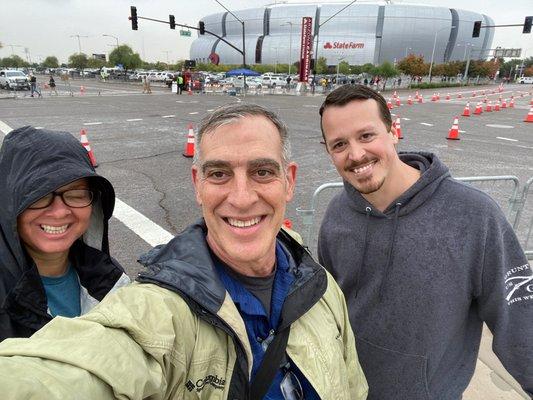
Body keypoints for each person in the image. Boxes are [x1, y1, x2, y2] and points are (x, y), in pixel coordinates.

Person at [0, 104, 368, 400]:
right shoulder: (160, 308)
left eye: (262, 172)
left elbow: (353, 385)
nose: (240, 198)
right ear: (197, 185)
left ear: (290, 181)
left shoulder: (321, 289)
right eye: (219, 174)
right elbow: (72, 369)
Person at [317, 84, 533, 399]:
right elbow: (330, 310)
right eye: (339, 144)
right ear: (329, 151)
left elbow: (518, 320)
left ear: (392, 132)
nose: (356, 154)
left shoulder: (473, 215)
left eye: (366, 136)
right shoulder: (337, 215)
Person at [0, 126, 130, 342]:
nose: (60, 212)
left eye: (77, 194)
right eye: (38, 196)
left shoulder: (110, 278)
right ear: (9, 205)